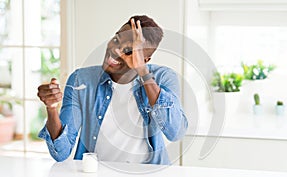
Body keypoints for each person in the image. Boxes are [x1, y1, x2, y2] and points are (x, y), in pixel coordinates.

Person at [37, 15, 188, 165]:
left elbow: (176, 132)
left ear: (145, 59)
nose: (115, 50)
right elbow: (60, 152)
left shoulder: (163, 78)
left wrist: (142, 71)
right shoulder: (81, 80)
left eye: (129, 50)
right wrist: (51, 109)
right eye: (116, 40)